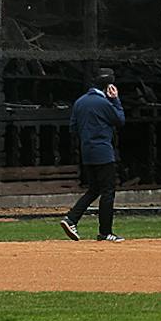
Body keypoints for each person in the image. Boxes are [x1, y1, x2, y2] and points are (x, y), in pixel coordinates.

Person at [62, 68, 126, 241]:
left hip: (87, 151)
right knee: (107, 191)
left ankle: (71, 218)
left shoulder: (80, 102)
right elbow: (120, 120)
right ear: (108, 86)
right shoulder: (104, 103)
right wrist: (116, 100)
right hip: (103, 151)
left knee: (94, 189)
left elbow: (73, 128)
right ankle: (105, 232)